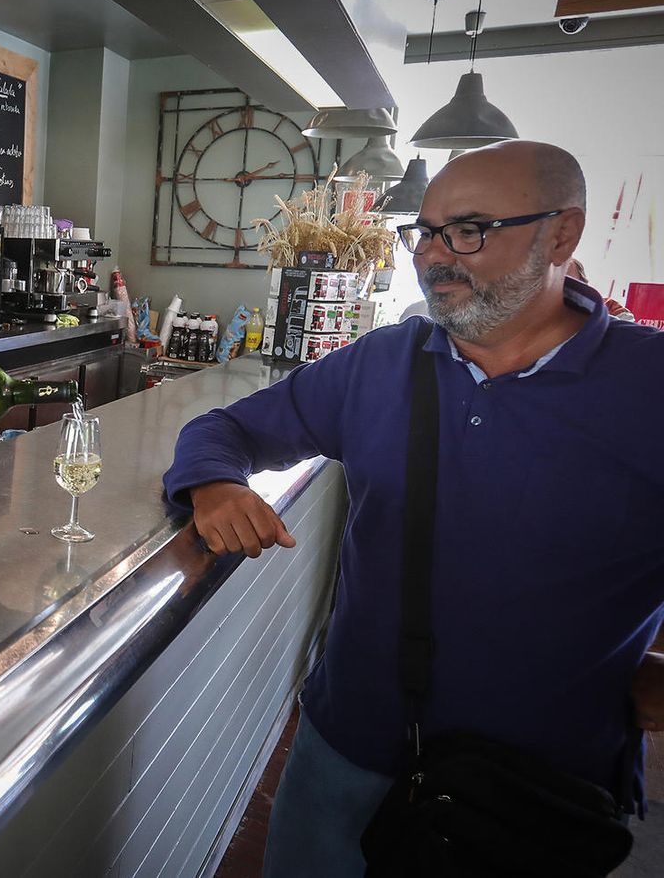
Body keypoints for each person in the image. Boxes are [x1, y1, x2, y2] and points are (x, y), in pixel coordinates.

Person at [161, 140, 664, 875]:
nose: (433, 256)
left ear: (562, 234)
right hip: (349, 746)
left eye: (468, 230)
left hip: (536, 784)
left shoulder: (647, 386)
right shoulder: (384, 360)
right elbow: (226, 427)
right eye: (424, 232)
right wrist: (216, 484)